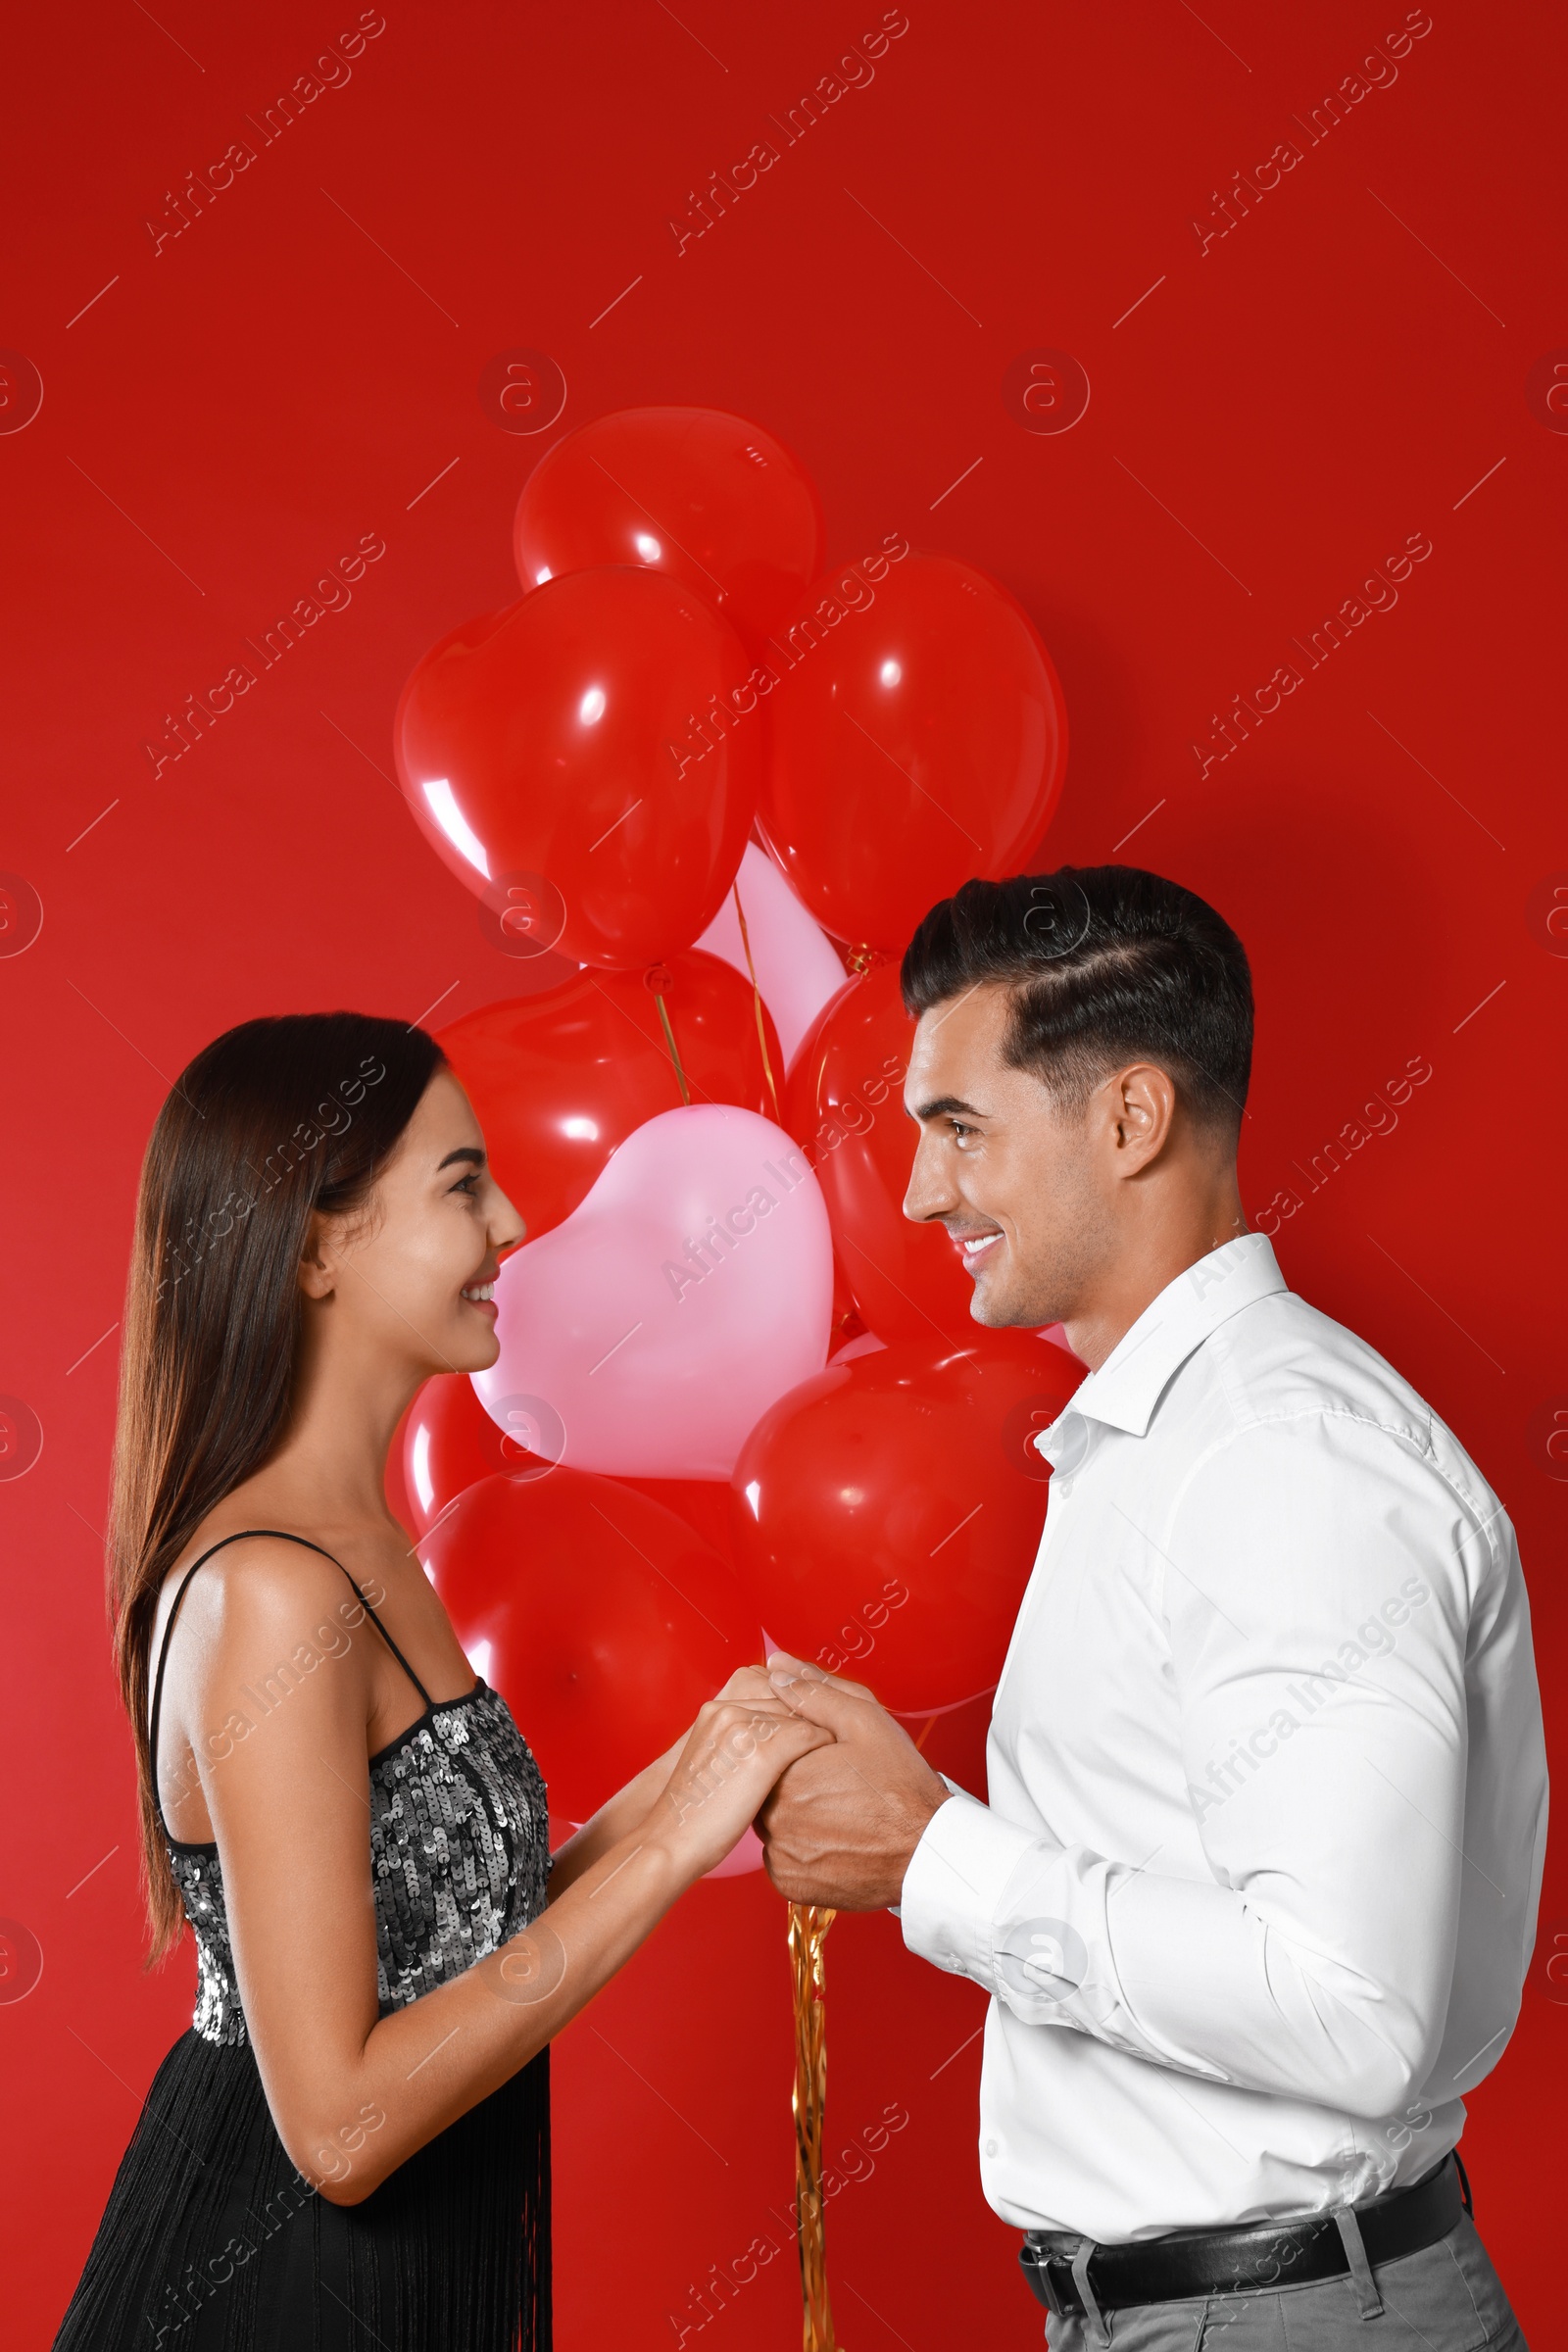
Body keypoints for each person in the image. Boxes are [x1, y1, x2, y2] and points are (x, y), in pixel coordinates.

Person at [757, 866, 1546, 2350]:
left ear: (1128, 1121)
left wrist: (935, 1856)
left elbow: (1351, 2010)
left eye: (958, 1129)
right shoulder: (1164, 1441)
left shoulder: (1277, 1458)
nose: (921, 1191)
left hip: (1288, 2318)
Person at [55, 1012, 828, 2352]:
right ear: (311, 1249)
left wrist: (708, 1761)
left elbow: (469, 1939)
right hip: (279, 2291)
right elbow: (343, 2130)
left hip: (401, 2279)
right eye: (464, 1185)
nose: (515, 1220)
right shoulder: (273, 1590)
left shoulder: (367, 1553)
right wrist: (674, 1848)